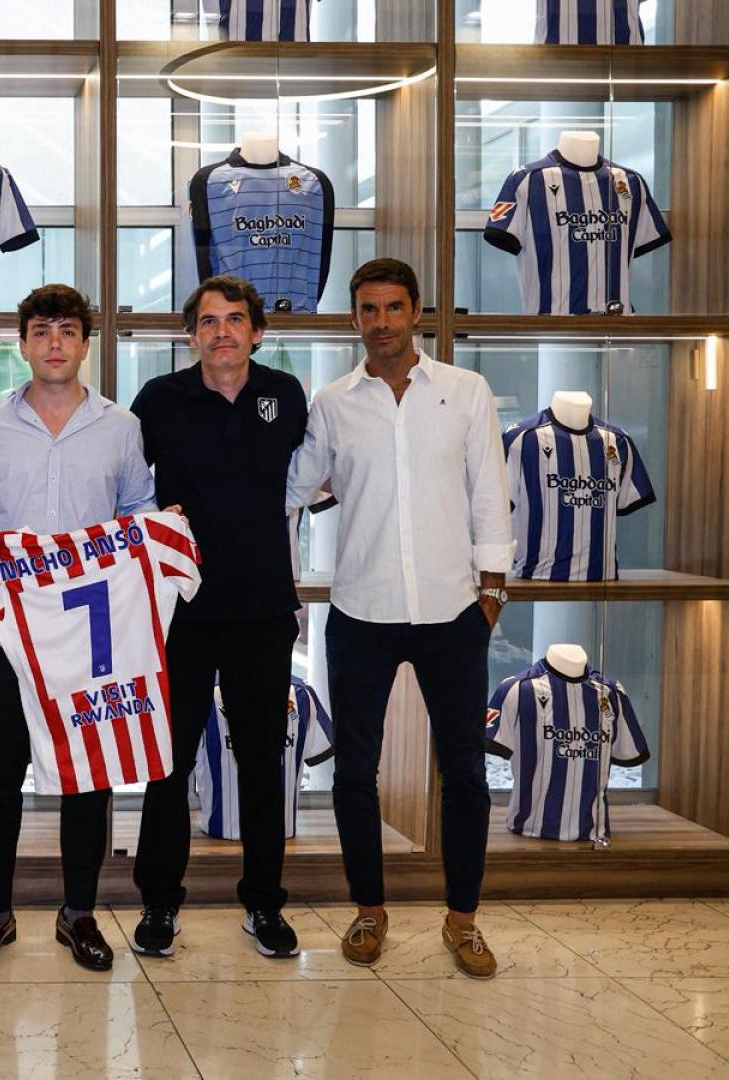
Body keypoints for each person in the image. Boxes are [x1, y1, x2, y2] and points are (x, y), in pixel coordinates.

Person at [286, 258, 512, 979]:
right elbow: (292, 488)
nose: (381, 321)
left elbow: (490, 495)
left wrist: (492, 595)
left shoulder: (466, 392)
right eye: (367, 309)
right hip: (361, 610)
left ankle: (464, 921)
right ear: (354, 318)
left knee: (466, 772)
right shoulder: (333, 403)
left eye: (393, 307)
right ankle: (368, 912)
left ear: (416, 311)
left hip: (453, 613)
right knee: (354, 772)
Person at [0, 283, 156, 972]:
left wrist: (147, 534)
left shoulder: (121, 427)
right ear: (22, 343)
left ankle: (79, 914)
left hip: (90, 630)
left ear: (85, 343)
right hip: (10, 625)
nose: (55, 343)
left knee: (85, 776)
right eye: (41, 331)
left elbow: (139, 514)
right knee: (0, 771)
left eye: (68, 330)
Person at [125, 275, 310, 959]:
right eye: (209, 321)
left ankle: (264, 904)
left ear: (257, 332)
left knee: (262, 763)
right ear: (191, 334)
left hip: (263, 611)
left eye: (235, 320)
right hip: (179, 613)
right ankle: (158, 904)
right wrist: (148, 521)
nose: (222, 332)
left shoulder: (285, 396)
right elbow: (124, 491)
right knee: (166, 764)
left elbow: (308, 480)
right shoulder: (158, 401)